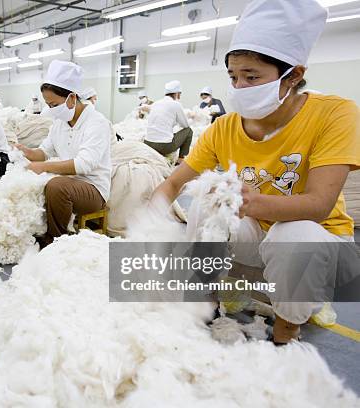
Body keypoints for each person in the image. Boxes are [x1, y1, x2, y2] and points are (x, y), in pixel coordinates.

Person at [151, 0, 359, 344]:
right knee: (204, 203)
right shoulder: (225, 127)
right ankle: (207, 299)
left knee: (294, 236)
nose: (240, 87)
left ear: (293, 75)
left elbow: (319, 205)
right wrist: (148, 219)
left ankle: (287, 327)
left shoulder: (335, 114)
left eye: (252, 77)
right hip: (258, 237)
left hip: (318, 241)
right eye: (233, 76)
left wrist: (243, 200)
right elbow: (175, 182)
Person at [15, 60, 112, 247]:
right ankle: (36, 231)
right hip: (70, 181)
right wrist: (27, 152)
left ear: (72, 98)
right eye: (48, 105)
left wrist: (43, 167)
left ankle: (56, 240)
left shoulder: (97, 123)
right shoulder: (60, 122)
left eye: (54, 104)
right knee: (32, 181)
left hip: (92, 188)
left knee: (56, 186)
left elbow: (84, 165)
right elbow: (44, 151)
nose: (51, 109)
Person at [144, 80, 193, 164]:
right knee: (189, 131)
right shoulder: (176, 104)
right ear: (177, 93)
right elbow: (185, 125)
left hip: (147, 143)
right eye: (179, 94)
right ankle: (181, 160)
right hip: (163, 146)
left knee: (169, 134)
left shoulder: (156, 103)